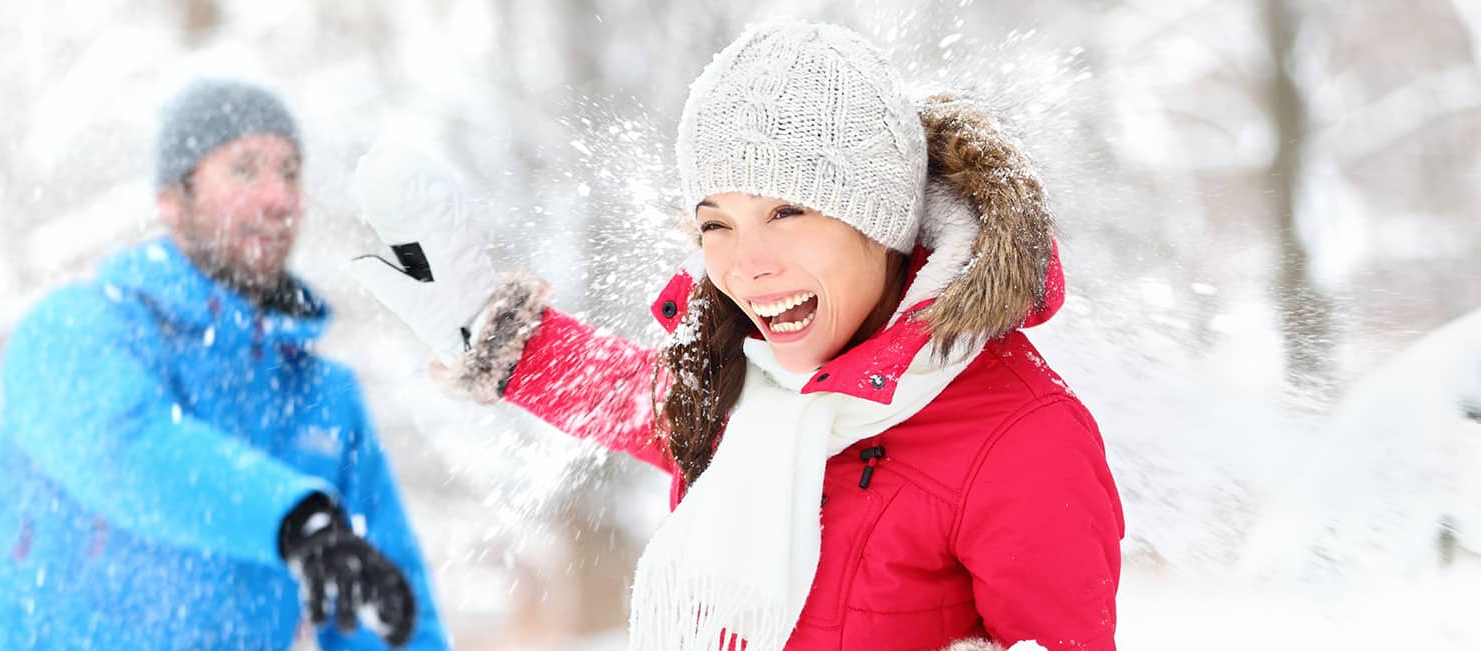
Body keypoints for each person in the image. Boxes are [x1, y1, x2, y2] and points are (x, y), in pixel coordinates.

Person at [352, 20, 1122, 651]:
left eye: (787, 211)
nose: (747, 266)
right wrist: (491, 331)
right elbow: (628, 394)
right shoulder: (735, 376)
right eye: (716, 223)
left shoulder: (1026, 437)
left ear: (881, 219)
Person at [0, 78, 447, 650]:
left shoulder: (322, 397)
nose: (279, 198)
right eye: (244, 169)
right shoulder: (74, 328)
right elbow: (126, 449)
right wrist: (292, 520)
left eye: (289, 172)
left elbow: (383, 607)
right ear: (172, 199)